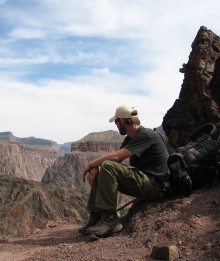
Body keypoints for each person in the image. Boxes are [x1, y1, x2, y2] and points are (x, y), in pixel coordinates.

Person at [78, 105, 170, 237]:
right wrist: (96, 169)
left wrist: (90, 165)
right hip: (146, 181)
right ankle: (96, 217)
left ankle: (111, 221)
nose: (116, 125)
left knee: (108, 166)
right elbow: (116, 160)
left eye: (116, 122)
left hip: (156, 185)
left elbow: (115, 157)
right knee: (104, 167)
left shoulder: (146, 135)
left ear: (121, 121)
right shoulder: (130, 138)